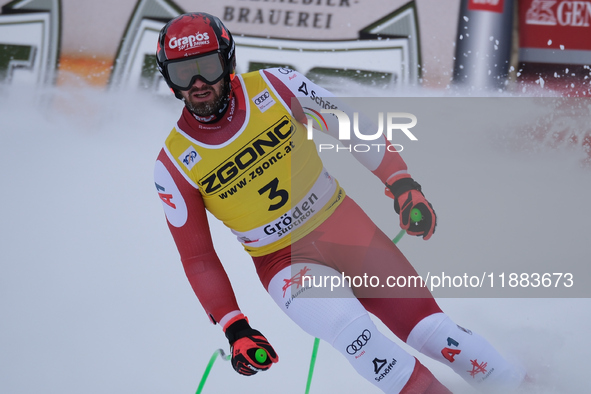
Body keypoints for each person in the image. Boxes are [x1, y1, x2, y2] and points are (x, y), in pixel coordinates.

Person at [153, 12, 526, 393]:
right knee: (364, 345)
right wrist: (235, 325)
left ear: (228, 62)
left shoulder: (277, 85)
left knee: (436, 333)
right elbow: (198, 259)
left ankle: (530, 387)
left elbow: (350, 127)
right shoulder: (173, 164)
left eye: (208, 68)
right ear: (169, 80)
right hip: (283, 263)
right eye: (184, 74)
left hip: (345, 228)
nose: (198, 84)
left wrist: (401, 183)